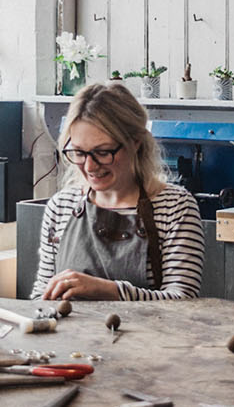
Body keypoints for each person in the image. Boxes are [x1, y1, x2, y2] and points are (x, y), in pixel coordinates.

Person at [32, 81, 203, 300]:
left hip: (147, 325)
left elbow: (183, 301)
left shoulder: (175, 207)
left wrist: (109, 290)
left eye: (103, 152)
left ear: (135, 142)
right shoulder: (61, 206)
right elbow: (42, 294)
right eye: (79, 153)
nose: (90, 166)